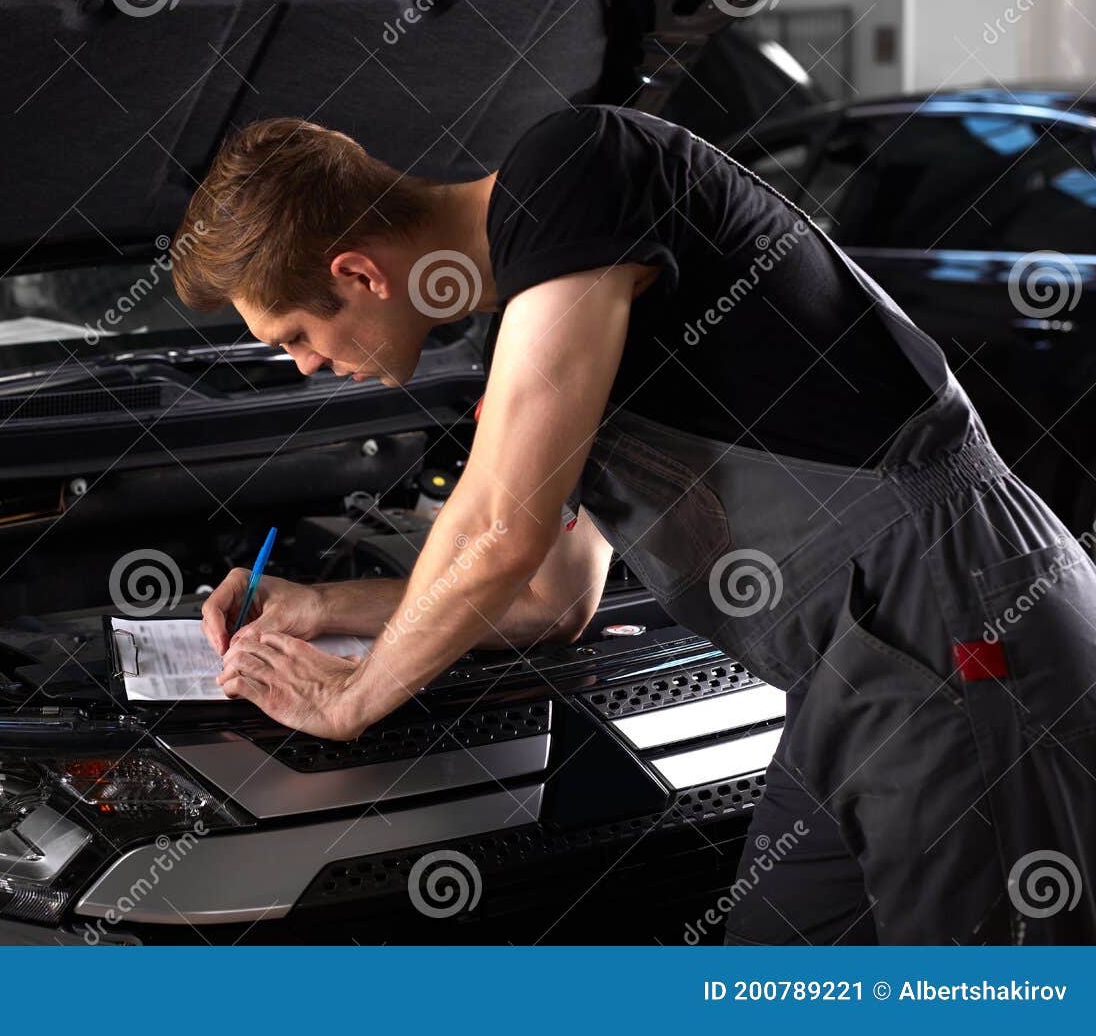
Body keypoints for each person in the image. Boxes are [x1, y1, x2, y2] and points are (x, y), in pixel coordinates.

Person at [168, 104, 1096, 944]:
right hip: (856, 682)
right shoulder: (539, 323)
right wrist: (323, 604)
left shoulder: (576, 166)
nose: (301, 366)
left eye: (292, 334)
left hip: (963, 627)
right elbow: (547, 599)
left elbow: (499, 532)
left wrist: (353, 696)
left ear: (357, 272)